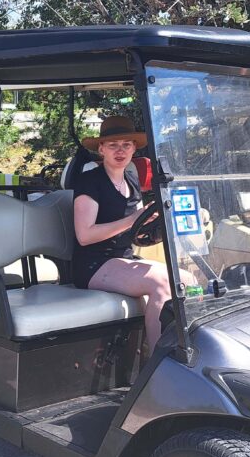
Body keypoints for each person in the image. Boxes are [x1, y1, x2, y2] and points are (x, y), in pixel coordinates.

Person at [71, 115, 175, 351]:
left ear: (134, 149)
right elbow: (84, 235)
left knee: (185, 279)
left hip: (123, 258)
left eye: (126, 145)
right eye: (113, 145)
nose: (120, 151)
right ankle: (159, 363)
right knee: (160, 283)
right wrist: (131, 220)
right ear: (101, 149)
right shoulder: (89, 182)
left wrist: (150, 222)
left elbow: (136, 229)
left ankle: (181, 350)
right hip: (93, 264)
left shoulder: (131, 180)